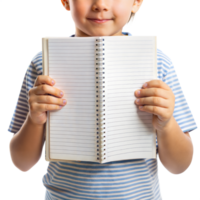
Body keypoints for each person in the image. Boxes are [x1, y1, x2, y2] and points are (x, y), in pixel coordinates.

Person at [6, 0, 199, 199]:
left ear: (137, 2)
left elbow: (179, 166)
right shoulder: (42, 63)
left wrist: (166, 125)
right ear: (65, 1)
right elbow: (22, 162)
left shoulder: (158, 63)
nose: (100, 4)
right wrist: (34, 120)